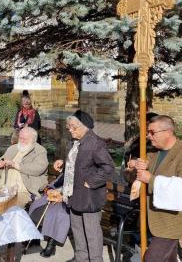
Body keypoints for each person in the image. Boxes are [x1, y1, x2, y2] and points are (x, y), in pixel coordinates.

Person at [125, 115, 182, 262]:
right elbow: (130, 179)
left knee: (152, 259)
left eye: (152, 132)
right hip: (152, 219)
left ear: (168, 132)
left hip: (171, 223)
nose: (148, 136)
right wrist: (132, 167)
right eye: (148, 132)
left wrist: (150, 179)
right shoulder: (152, 155)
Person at [54, 110, 114, 262]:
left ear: (84, 126)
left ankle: (95, 260)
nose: (70, 129)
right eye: (69, 127)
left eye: (73, 127)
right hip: (74, 193)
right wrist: (64, 162)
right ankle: (81, 258)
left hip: (89, 196)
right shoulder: (75, 142)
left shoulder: (95, 143)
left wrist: (91, 181)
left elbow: (108, 167)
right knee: (77, 229)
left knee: (92, 233)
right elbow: (77, 161)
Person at [0, 127, 48, 207]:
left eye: (25, 139)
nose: (21, 141)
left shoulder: (39, 151)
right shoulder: (13, 148)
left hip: (23, 192)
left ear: (33, 139)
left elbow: (39, 168)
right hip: (3, 189)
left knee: (8, 208)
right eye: (20, 138)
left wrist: (16, 165)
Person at [28, 159, 71, 258]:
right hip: (55, 195)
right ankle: (35, 237)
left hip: (68, 200)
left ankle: (51, 244)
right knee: (36, 205)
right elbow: (52, 185)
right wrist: (49, 191)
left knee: (57, 212)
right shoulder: (66, 173)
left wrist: (62, 196)